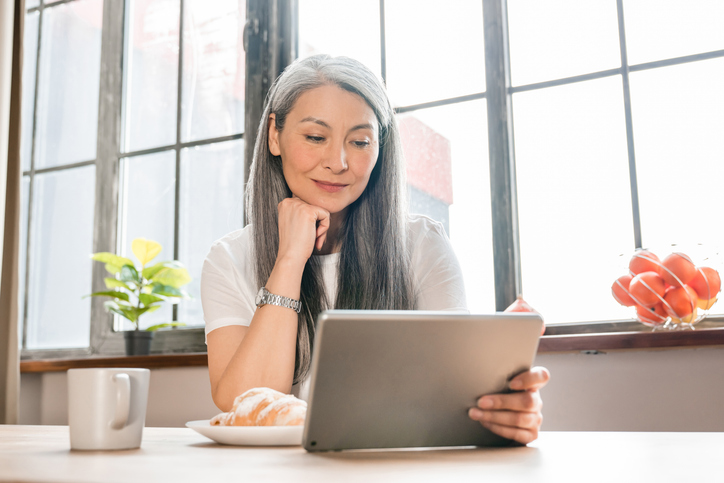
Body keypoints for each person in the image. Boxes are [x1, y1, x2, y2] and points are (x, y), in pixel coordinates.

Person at [201, 54, 550, 445]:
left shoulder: (422, 246)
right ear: (274, 136)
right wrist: (289, 261)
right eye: (316, 137)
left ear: (380, 147)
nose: (338, 162)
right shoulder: (228, 259)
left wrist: (500, 413)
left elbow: (452, 401)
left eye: (360, 141)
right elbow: (243, 405)